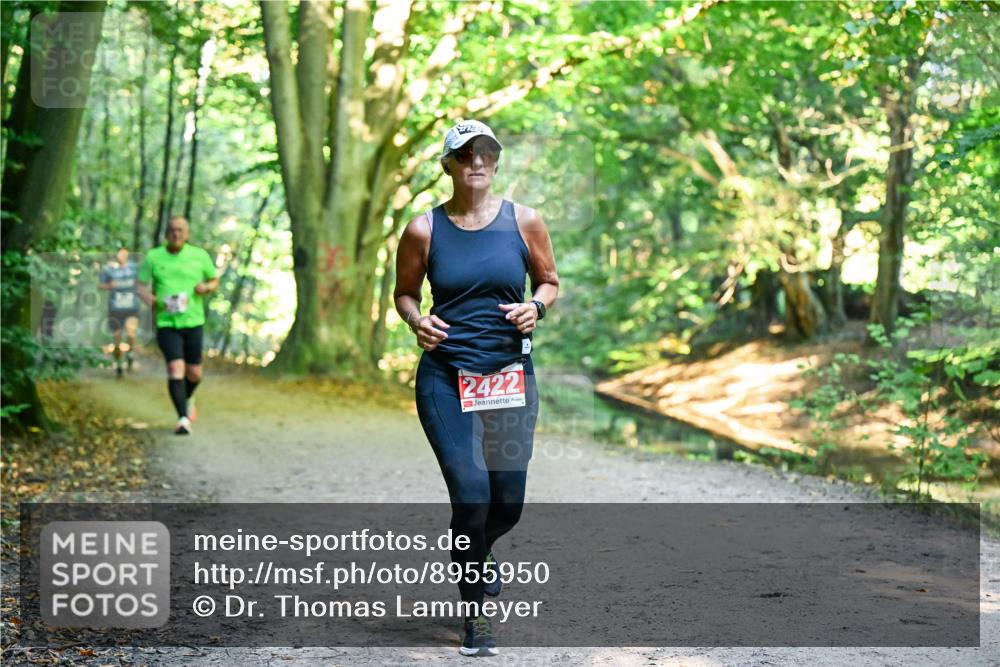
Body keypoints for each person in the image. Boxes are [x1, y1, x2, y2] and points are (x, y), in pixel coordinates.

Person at [393, 120, 559, 657]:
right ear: (448, 166)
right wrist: (417, 322)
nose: (477, 163)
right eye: (465, 156)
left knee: (506, 502)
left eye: (486, 154)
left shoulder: (525, 221)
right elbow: (405, 294)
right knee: (471, 494)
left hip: (510, 375)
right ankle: (476, 617)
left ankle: (480, 552)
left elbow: (549, 282)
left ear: (497, 161)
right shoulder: (424, 229)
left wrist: (535, 307)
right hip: (447, 377)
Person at [137, 216, 218, 435]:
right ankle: (182, 418)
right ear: (166, 234)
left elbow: (214, 279)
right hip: (166, 322)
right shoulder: (154, 257)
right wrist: (149, 299)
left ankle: (188, 397)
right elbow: (140, 285)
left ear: (187, 233)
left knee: (194, 373)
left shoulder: (199, 256)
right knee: (175, 368)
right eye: (172, 230)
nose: (176, 234)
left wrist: (206, 288)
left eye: (180, 230)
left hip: (193, 321)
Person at [98, 245, 140, 378]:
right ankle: (119, 364)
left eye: (124, 253)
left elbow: (142, 282)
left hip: (131, 307)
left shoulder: (134, 268)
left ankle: (130, 354)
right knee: (117, 338)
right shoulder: (109, 270)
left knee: (131, 333)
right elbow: (100, 285)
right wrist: (109, 286)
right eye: (119, 253)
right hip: (115, 308)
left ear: (127, 253)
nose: (121, 256)